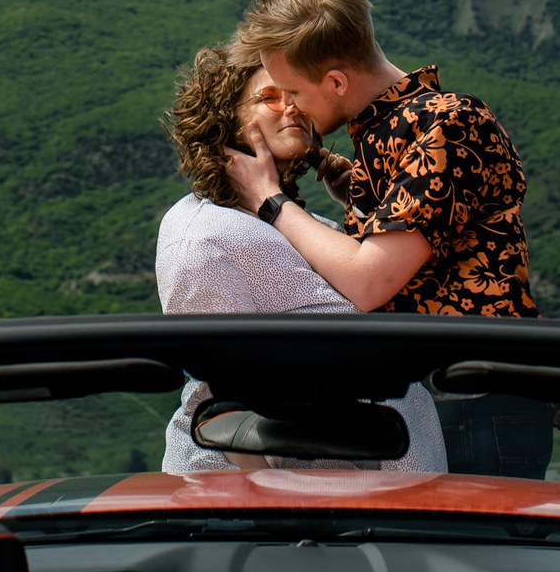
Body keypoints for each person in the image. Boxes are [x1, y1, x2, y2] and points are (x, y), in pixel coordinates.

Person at [219, 0, 558, 478]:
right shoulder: (390, 132)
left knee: (473, 558)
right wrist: (353, 192)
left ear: (335, 81)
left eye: (294, 92)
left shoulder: (447, 125)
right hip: (435, 403)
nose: (289, 105)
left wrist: (270, 200)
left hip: (473, 404)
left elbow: (369, 280)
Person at [153, 43, 447, 475]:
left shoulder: (294, 222)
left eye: (296, 94)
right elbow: (224, 397)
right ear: (225, 118)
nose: (290, 107)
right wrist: (271, 499)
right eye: (270, 97)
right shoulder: (203, 233)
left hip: (369, 488)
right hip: (276, 503)